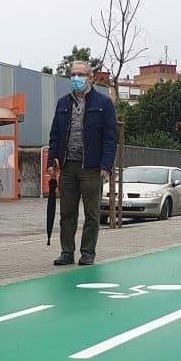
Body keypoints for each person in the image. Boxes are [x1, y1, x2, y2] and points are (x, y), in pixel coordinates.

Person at [48, 61, 116, 266]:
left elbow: (110, 136)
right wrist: (51, 162)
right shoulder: (63, 103)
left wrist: (106, 165)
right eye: (73, 74)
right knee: (67, 212)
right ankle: (67, 252)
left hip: (92, 167)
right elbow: (55, 135)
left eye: (80, 74)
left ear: (90, 77)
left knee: (92, 213)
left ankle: (87, 252)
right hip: (67, 166)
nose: (76, 78)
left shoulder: (103, 103)